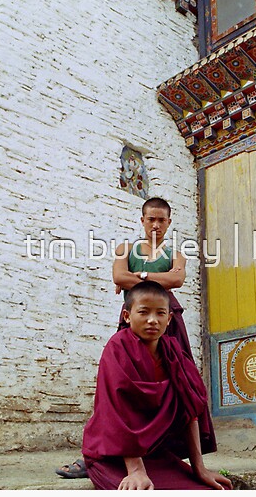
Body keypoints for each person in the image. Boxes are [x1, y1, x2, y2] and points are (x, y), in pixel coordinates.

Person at [56, 196, 191, 478]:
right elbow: (118, 275)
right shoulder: (125, 249)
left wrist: (136, 277)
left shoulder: (176, 253)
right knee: (119, 386)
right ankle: (95, 453)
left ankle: (164, 452)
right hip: (134, 320)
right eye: (150, 219)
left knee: (176, 385)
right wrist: (152, 278)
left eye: (161, 220)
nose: (155, 225)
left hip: (168, 322)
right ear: (142, 220)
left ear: (169, 223)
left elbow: (177, 280)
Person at [82, 281, 232, 490]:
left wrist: (199, 468)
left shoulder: (175, 354)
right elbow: (117, 410)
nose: (152, 320)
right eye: (143, 312)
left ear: (169, 318)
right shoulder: (117, 349)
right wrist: (135, 470)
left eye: (160, 313)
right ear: (127, 316)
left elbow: (190, 410)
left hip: (154, 454)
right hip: (113, 456)